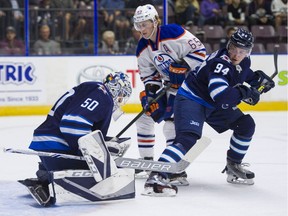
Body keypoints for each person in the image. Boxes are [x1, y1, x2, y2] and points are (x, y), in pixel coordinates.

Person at [143, 28, 275, 196]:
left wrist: (256, 79)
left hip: (211, 103)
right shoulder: (221, 63)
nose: (236, 54)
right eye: (234, 48)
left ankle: (233, 165)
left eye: (242, 51)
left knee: (245, 125)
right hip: (192, 99)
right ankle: (156, 176)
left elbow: (240, 73)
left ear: (248, 52)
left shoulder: (242, 61)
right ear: (229, 45)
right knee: (187, 139)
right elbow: (220, 96)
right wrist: (245, 93)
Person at [18, 72, 133, 206]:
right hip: (57, 146)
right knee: (108, 170)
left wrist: (103, 143)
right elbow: (72, 125)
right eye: (120, 98)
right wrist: (91, 153)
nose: (119, 103)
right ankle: (50, 179)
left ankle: (45, 176)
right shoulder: (102, 94)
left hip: (50, 146)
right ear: (115, 90)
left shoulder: (94, 90)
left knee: (106, 155)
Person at [132, 4, 206, 184]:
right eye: (138, 25)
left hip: (193, 86)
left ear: (155, 21)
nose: (142, 29)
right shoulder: (142, 47)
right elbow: (150, 75)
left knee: (170, 125)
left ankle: (175, 170)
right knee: (144, 117)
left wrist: (184, 64)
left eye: (145, 24)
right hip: (172, 86)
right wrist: (150, 95)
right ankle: (147, 162)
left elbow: (201, 52)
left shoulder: (173, 32)